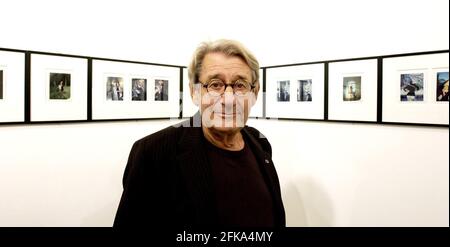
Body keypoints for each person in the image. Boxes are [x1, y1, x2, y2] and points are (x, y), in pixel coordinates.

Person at [113, 39, 285, 228]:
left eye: (240, 85)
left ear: (255, 92)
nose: (228, 99)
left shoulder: (259, 143)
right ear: (194, 92)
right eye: (215, 84)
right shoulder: (153, 153)